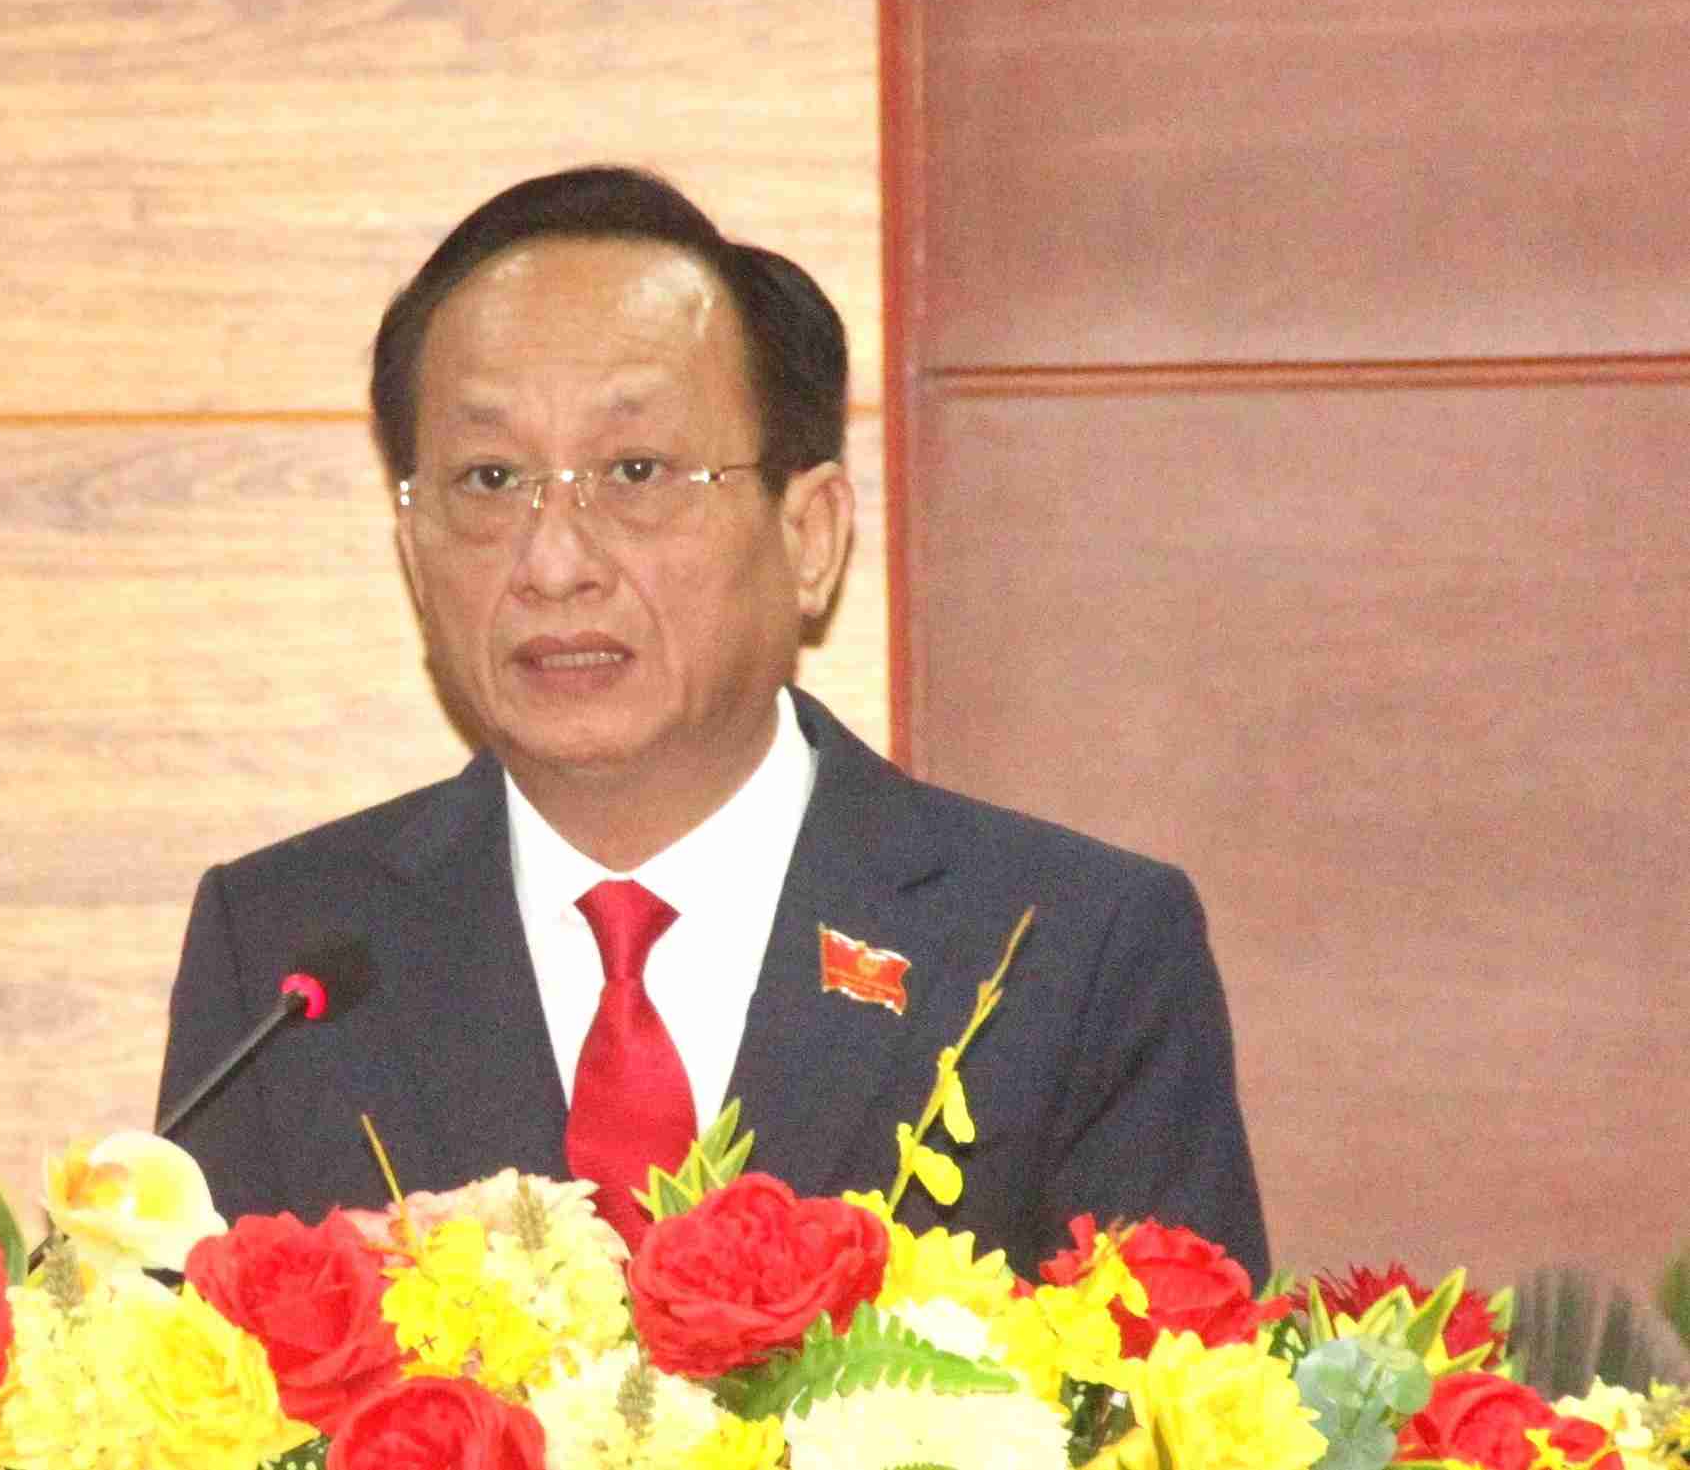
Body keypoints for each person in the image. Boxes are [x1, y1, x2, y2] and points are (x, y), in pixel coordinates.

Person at [157, 166, 1269, 1280]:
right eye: (489, 479)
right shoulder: (284, 960)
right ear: (412, 549)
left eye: (634, 470)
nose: (551, 563)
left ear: (810, 533)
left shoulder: (1067, 951)